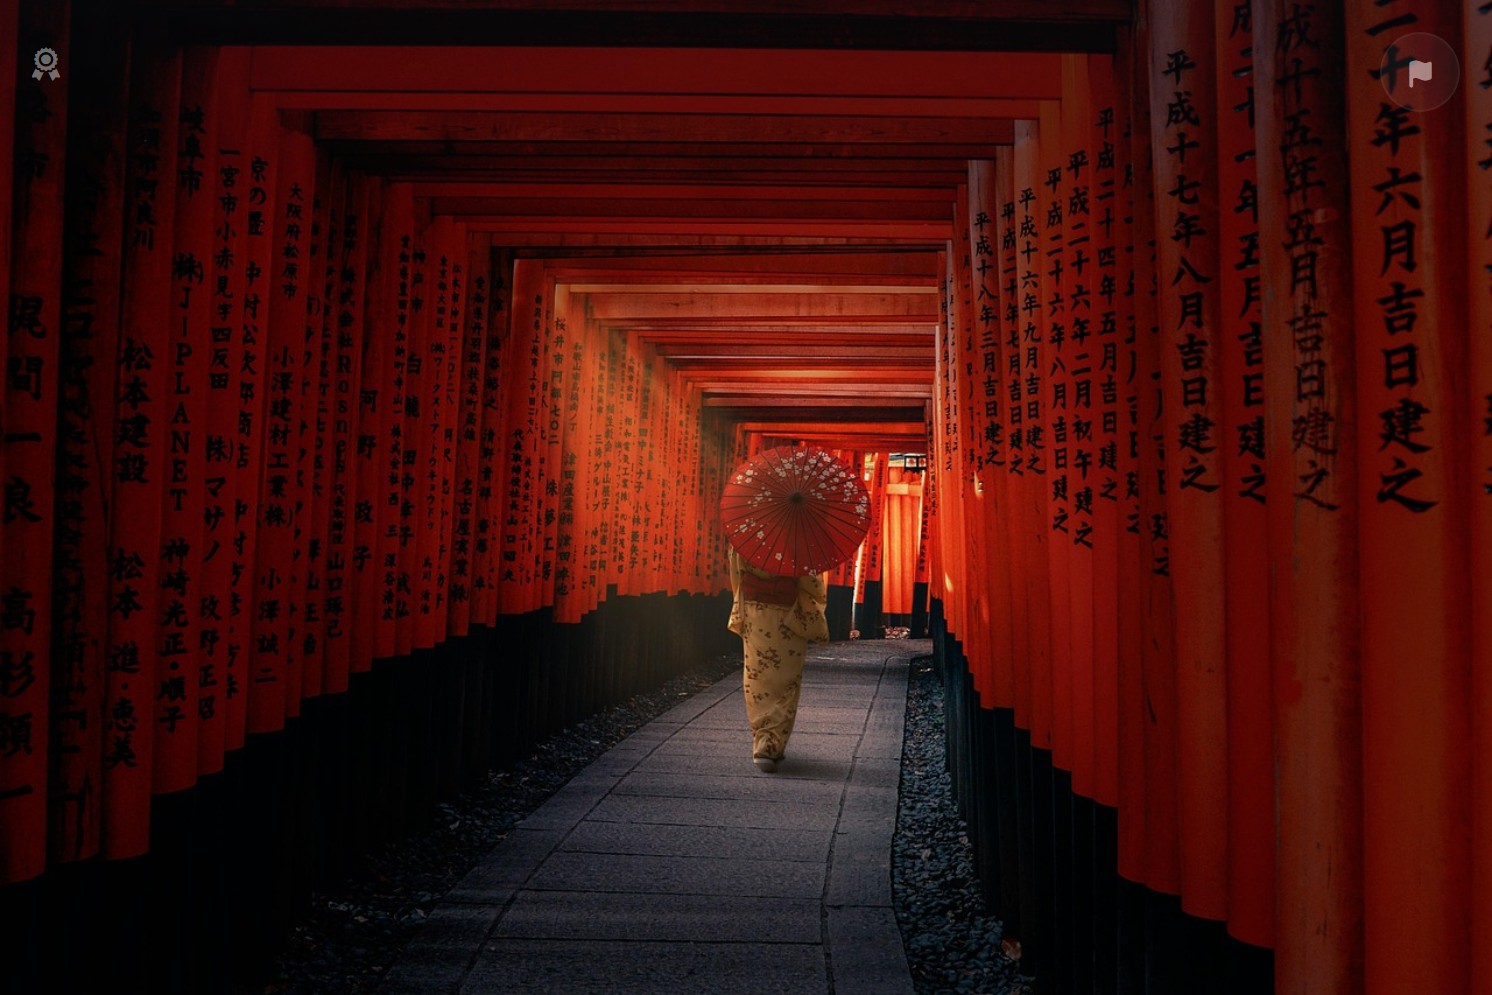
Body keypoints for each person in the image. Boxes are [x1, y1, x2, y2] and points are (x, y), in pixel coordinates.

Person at [726, 547, 830, 773]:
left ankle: (761, 739)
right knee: (786, 680)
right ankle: (773, 744)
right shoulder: (798, 538)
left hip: (755, 612)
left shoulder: (745, 535)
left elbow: (736, 573)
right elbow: (812, 583)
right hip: (788, 614)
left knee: (757, 677)